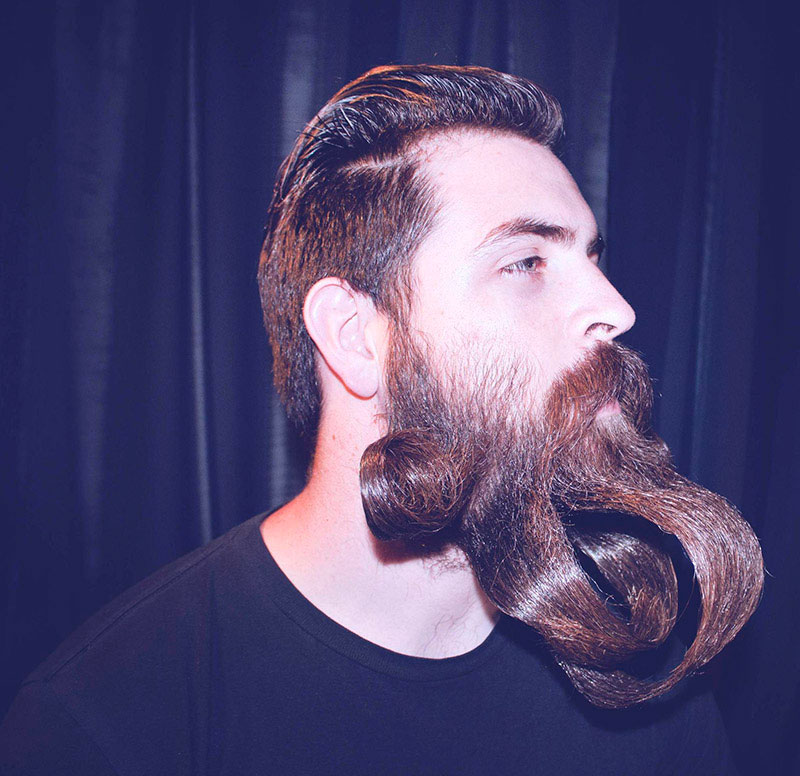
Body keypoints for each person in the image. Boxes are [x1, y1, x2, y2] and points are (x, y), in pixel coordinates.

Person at [0, 64, 763, 775]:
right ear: (353, 336)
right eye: (526, 261)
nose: (616, 309)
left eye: (592, 258)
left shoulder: (644, 676)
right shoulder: (109, 724)